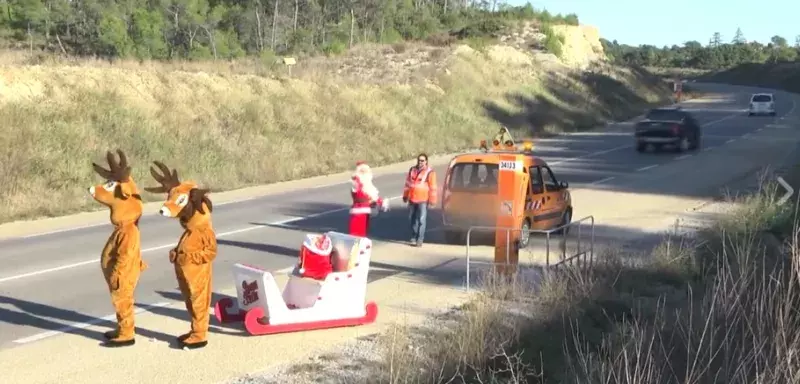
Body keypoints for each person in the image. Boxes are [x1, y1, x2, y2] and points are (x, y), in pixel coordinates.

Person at [402, 153, 438, 247]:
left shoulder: (430, 172)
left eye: (422, 160)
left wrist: (432, 200)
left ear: (426, 161)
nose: (420, 162)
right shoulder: (412, 170)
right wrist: (405, 196)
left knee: (421, 220)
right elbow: (407, 184)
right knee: (412, 219)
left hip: (423, 200)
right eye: (419, 160)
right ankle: (413, 237)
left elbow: (433, 188)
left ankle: (419, 239)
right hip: (412, 199)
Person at [350, 161, 389, 237]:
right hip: (358, 210)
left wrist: (380, 202)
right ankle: (356, 247)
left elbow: (373, 196)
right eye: (363, 171)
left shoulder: (367, 184)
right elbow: (360, 195)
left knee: (363, 232)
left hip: (365, 211)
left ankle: (361, 246)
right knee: (356, 233)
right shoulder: (357, 182)